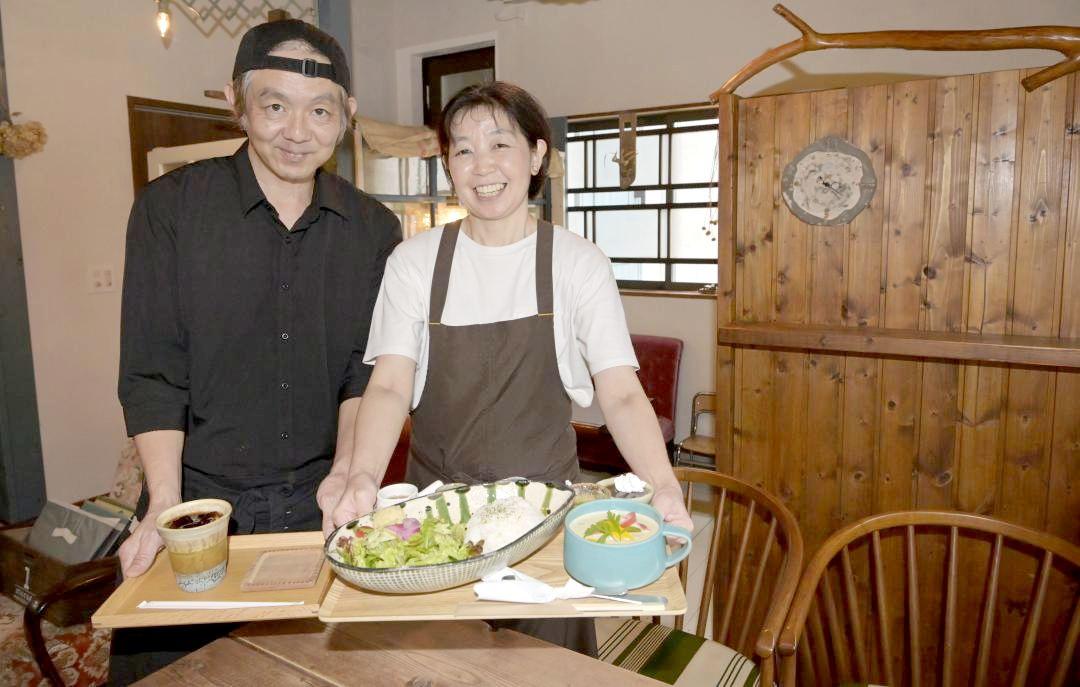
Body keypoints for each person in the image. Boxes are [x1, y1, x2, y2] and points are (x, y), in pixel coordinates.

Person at [326, 81, 693, 656]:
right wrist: (363, 477)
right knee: (434, 662)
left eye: (500, 144)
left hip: (542, 521)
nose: (482, 165)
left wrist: (666, 487)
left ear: (537, 155)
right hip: (435, 518)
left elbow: (619, 392)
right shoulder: (415, 262)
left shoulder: (577, 262)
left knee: (543, 664)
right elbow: (391, 383)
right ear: (448, 163)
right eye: (463, 149)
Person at [113, 19, 400, 682]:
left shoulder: (374, 229)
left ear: (346, 116)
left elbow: (365, 373)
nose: (298, 131)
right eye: (274, 106)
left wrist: (352, 473)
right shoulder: (170, 210)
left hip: (317, 503)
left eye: (320, 110)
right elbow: (153, 374)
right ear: (236, 102)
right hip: (198, 503)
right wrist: (162, 504)